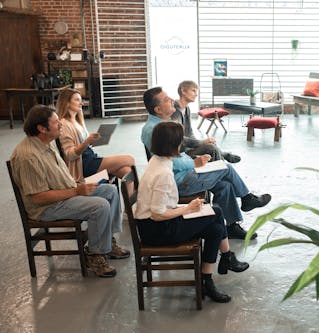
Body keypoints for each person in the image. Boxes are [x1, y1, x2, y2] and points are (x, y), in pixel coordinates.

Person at [9, 105, 130, 278]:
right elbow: (38, 197)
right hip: (47, 207)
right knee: (100, 205)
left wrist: (80, 186)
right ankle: (95, 255)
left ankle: (106, 242)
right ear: (42, 129)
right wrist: (77, 192)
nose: (60, 124)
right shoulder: (28, 156)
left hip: (67, 192)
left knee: (109, 190)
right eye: (55, 122)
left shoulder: (47, 143)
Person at [135, 122, 249, 303]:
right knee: (216, 214)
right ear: (174, 145)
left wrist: (188, 209)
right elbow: (157, 214)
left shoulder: (158, 161)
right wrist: (188, 209)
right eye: (180, 141)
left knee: (216, 228)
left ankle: (209, 278)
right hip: (157, 230)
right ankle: (224, 261)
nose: (183, 145)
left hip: (158, 223)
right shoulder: (163, 172)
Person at [141, 87, 271, 240]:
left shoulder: (162, 123)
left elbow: (179, 153)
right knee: (226, 168)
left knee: (225, 186)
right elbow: (169, 162)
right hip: (178, 181)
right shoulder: (154, 130)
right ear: (157, 109)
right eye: (166, 99)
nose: (171, 100)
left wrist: (194, 162)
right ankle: (247, 198)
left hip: (185, 174)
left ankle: (231, 226)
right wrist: (194, 163)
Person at [56, 88, 135, 183]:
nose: (81, 103)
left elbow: (84, 144)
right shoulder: (64, 124)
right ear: (67, 103)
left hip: (91, 158)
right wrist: (87, 141)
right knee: (129, 159)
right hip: (85, 165)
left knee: (126, 171)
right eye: (77, 100)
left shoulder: (78, 121)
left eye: (81, 100)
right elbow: (70, 155)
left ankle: (132, 198)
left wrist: (93, 141)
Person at [172, 80, 240, 163]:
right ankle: (224, 164)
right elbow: (177, 139)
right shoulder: (174, 111)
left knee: (211, 144)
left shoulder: (187, 109)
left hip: (187, 147)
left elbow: (189, 132)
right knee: (211, 148)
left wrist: (199, 144)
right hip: (179, 152)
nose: (196, 94)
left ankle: (222, 157)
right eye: (193, 90)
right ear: (183, 91)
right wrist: (201, 142)